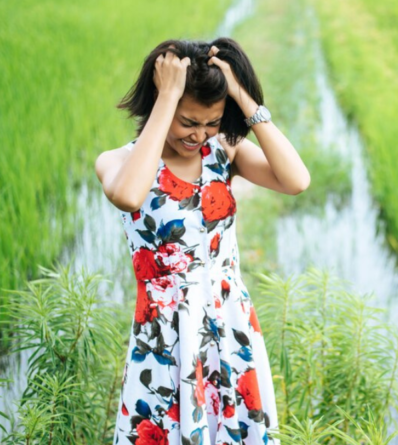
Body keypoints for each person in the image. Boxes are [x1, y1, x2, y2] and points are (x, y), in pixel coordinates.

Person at [94, 37, 308, 445]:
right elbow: (128, 196)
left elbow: (297, 180)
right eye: (188, 122)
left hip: (230, 326)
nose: (199, 135)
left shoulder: (223, 154)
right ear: (163, 105)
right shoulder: (119, 163)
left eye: (210, 122)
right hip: (165, 338)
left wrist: (243, 97)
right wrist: (168, 93)